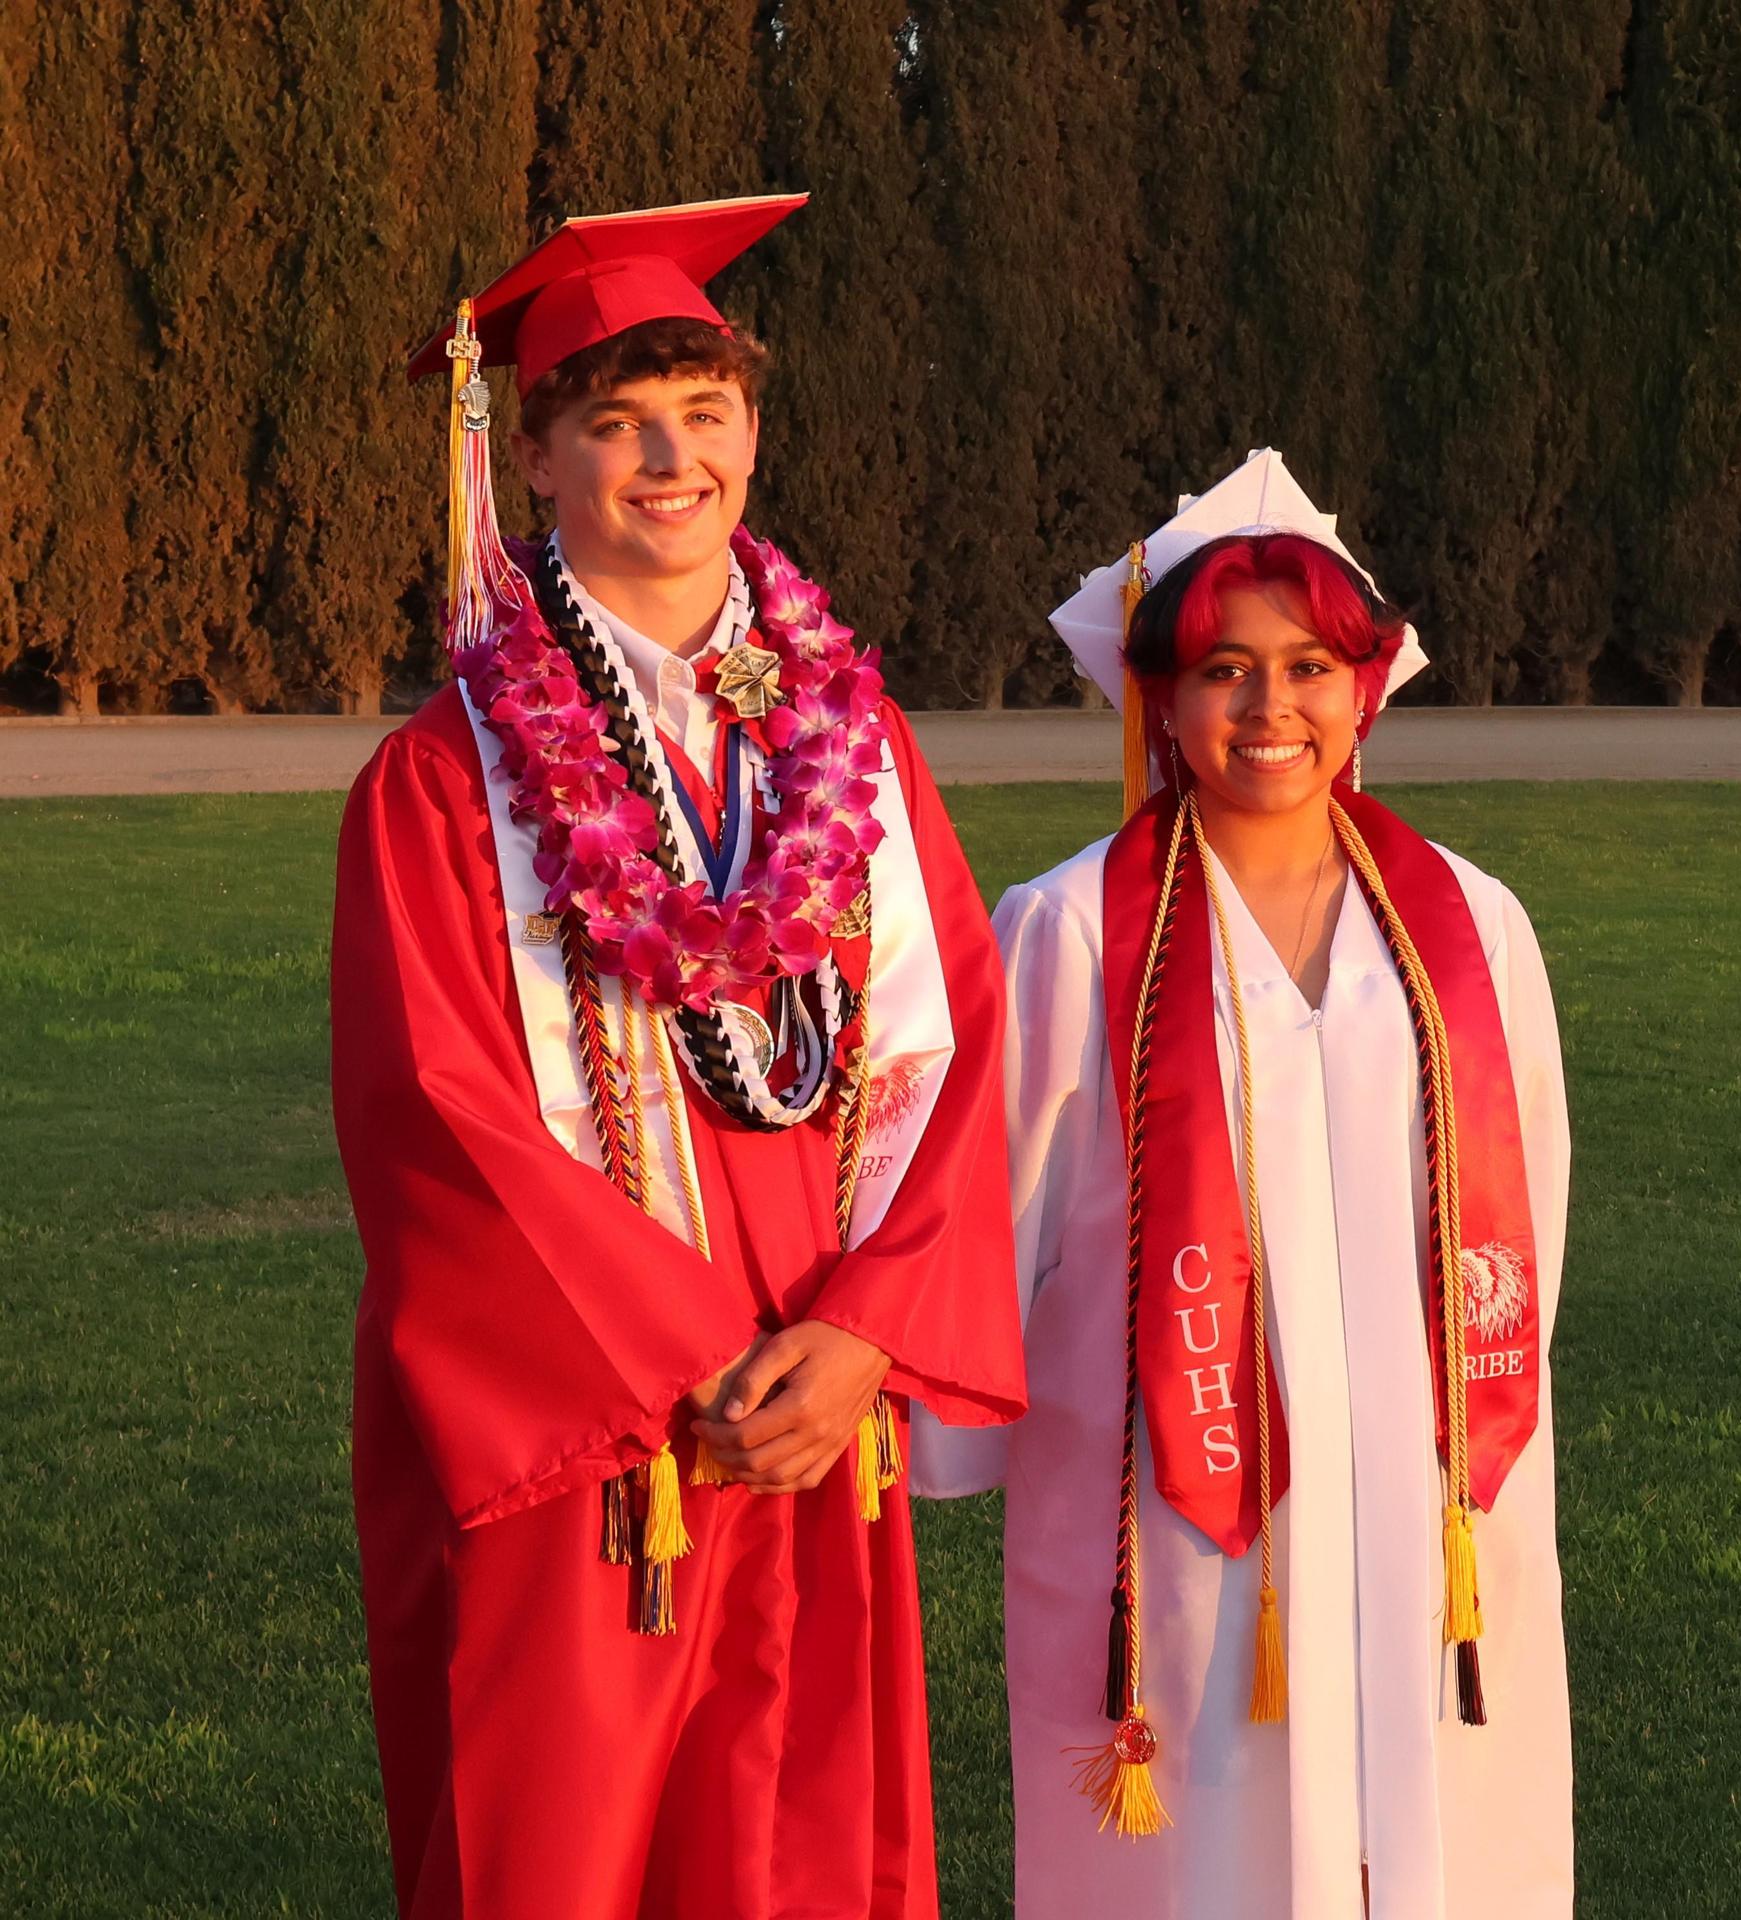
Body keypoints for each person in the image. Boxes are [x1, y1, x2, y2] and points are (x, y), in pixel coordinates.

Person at [332, 193, 1025, 1920]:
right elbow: (435, 1109)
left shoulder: (848, 742)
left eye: (704, 415)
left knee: (800, 1818)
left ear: (754, 438)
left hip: (818, 1387)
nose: (670, 457)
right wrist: (695, 1362)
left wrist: (867, 1333)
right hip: (593, 1422)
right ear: (535, 462)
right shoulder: (446, 781)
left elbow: (958, 1042)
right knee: (569, 1829)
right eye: (618, 421)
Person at [915, 450, 1574, 1917]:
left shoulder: (1474, 926)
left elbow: (1529, 1202)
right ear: (1160, 697)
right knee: (1200, 1855)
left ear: (1365, 687)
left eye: (1308, 666)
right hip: (1168, 1493)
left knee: (1446, 1834)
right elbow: (986, 1222)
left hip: (1426, 1484)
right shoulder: (1070, 930)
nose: (1272, 708)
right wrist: (951, 1443)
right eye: (1224, 668)